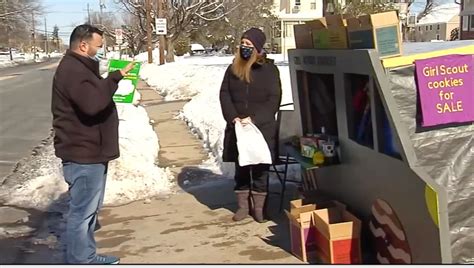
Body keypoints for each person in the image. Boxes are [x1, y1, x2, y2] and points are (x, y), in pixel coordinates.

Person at [51, 24, 135, 264]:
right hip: (83, 153)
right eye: (99, 46)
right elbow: (93, 104)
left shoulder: (81, 67)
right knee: (83, 213)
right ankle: (81, 260)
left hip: (92, 152)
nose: (101, 50)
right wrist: (115, 78)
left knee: (89, 212)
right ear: (83, 45)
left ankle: (86, 255)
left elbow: (95, 97)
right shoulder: (73, 71)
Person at [219, 28, 282, 223]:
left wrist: (254, 118)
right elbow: (224, 94)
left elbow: (274, 99)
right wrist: (233, 117)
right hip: (238, 127)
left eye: (249, 45)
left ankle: (260, 208)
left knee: (261, 169)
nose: (244, 48)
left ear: (258, 48)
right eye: (243, 44)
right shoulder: (233, 69)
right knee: (242, 168)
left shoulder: (270, 70)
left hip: (261, 128)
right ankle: (243, 207)